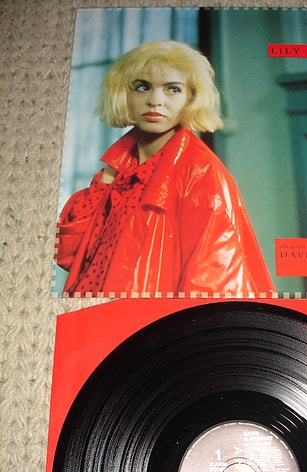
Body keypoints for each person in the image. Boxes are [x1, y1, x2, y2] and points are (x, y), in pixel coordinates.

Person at [56, 40, 275, 297]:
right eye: (142, 87)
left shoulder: (201, 172)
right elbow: (69, 255)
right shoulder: (118, 167)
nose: (155, 101)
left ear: (191, 98)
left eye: (172, 89)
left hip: (141, 317)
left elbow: (212, 285)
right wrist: (104, 184)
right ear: (124, 94)